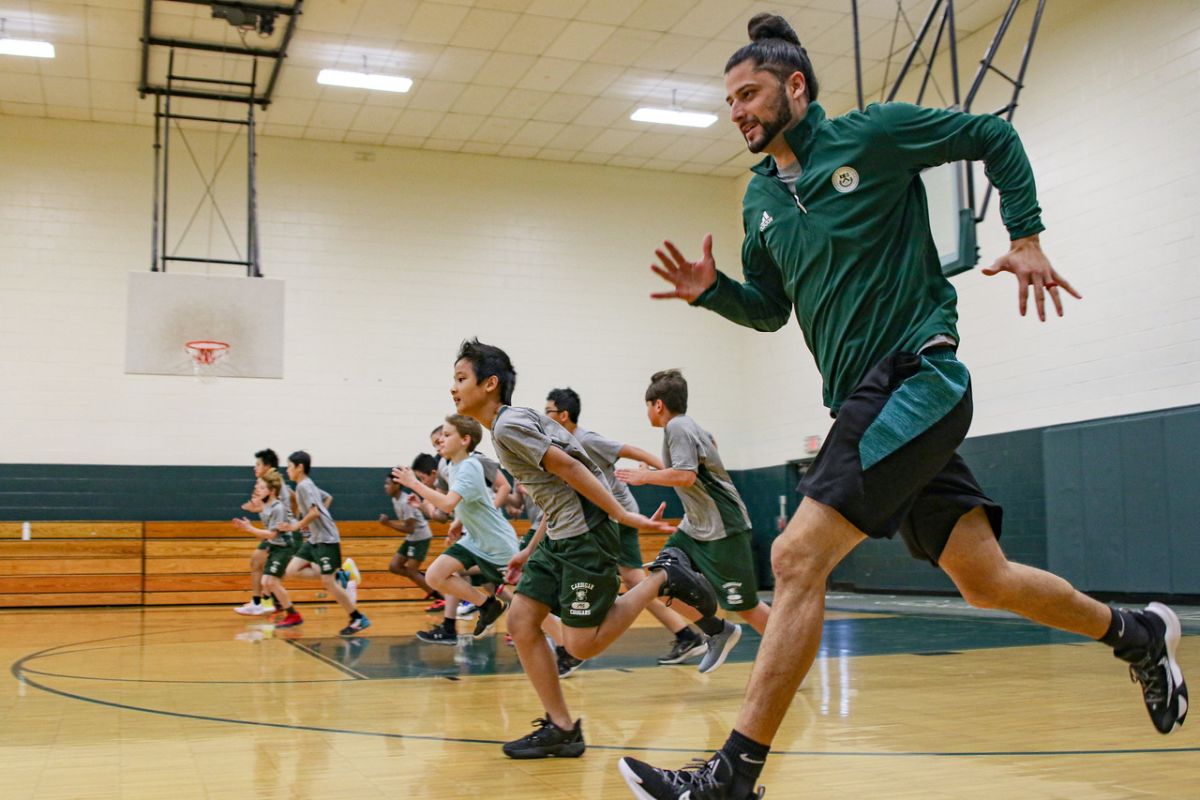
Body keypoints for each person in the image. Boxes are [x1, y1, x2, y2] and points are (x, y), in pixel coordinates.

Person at [618, 13, 1186, 799]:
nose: (738, 111)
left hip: (916, 376)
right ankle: (1140, 635)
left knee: (793, 558)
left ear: (795, 87)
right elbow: (770, 309)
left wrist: (1025, 235)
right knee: (984, 579)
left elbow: (994, 136)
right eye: (730, 101)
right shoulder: (757, 205)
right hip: (870, 403)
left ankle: (731, 777)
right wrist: (714, 294)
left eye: (749, 94)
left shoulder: (872, 135)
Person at [450, 338, 718, 760]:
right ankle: (562, 729)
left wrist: (622, 515)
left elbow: (573, 469)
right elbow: (559, 491)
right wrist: (529, 548)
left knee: (580, 645)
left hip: (586, 535)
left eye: (461, 378)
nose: (454, 388)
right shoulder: (515, 422)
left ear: (490, 384)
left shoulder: (507, 425)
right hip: (560, 533)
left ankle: (667, 576)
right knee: (521, 623)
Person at [616, 370, 772, 672]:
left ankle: (792, 658)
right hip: (694, 528)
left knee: (746, 605)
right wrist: (655, 473)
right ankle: (717, 630)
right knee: (660, 581)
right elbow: (689, 473)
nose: (646, 411)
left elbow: (686, 476)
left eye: (647, 405)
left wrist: (645, 477)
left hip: (723, 527)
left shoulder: (678, 427)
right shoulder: (683, 429)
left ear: (657, 405)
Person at [544, 387, 708, 669]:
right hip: (602, 518)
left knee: (633, 580)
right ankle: (687, 634)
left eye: (548, 412)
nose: (544, 416)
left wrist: (668, 472)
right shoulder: (560, 443)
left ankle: (692, 629)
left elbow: (632, 450)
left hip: (618, 518)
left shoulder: (587, 439)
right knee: (631, 581)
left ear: (563, 415)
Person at [394, 415, 520, 642]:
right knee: (434, 575)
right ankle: (486, 606)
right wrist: (458, 522)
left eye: (446, 435)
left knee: (524, 601)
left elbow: (448, 503)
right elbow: (466, 502)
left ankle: (561, 641)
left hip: (496, 544)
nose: (440, 440)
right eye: (440, 436)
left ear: (465, 440)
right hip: (474, 539)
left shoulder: (471, 465)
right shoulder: (453, 466)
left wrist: (414, 483)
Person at [280, 451, 370, 636]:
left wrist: (296, 525)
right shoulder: (304, 486)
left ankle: (357, 618)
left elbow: (315, 512)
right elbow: (325, 500)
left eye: (289, 466)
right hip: (314, 538)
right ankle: (341, 575)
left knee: (327, 581)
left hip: (326, 539)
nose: (287, 470)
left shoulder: (304, 487)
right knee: (291, 570)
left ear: (300, 467)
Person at [232, 469, 302, 628]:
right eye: (258, 486)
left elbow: (271, 534)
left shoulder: (278, 508)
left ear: (271, 491)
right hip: (275, 547)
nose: (257, 489)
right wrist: (254, 510)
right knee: (266, 581)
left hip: (284, 547)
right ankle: (275, 607)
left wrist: (249, 528)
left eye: (262, 487)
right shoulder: (265, 505)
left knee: (272, 582)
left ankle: (292, 614)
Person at [233, 448, 291, 616]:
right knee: (258, 563)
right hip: (277, 530)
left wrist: (256, 510)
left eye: (258, 464)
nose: (254, 467)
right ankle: (265, 601)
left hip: (283, 533)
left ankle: (264, 602)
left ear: (267, 466)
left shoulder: (275, 484)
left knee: (272, 567)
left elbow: (281, 507)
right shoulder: (269, 484)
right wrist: (256, 508)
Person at [382, 456, 439, 601]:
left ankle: (438, 596)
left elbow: (410, 529)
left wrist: (388, 524)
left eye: (388, 484)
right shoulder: (395, 499)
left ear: (396, 485)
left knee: (412, 570)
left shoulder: (404, 502)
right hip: (412, 538)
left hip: (420, 537)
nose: (385, 486)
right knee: (394, 566)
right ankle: (427, 583)